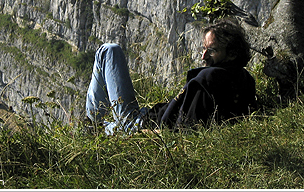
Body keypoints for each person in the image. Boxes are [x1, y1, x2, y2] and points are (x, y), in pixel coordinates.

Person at [85, 19, 257, 135]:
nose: (203, 56)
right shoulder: (245, 78)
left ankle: (93, 122)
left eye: (211, 50)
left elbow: (184, 130)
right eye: (204, 48)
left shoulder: (208, 79)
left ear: (232, 53)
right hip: (149, 117)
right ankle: (97, 127)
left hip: (141, 125)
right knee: (106, 128)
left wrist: (145, 134)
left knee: (109, 51)